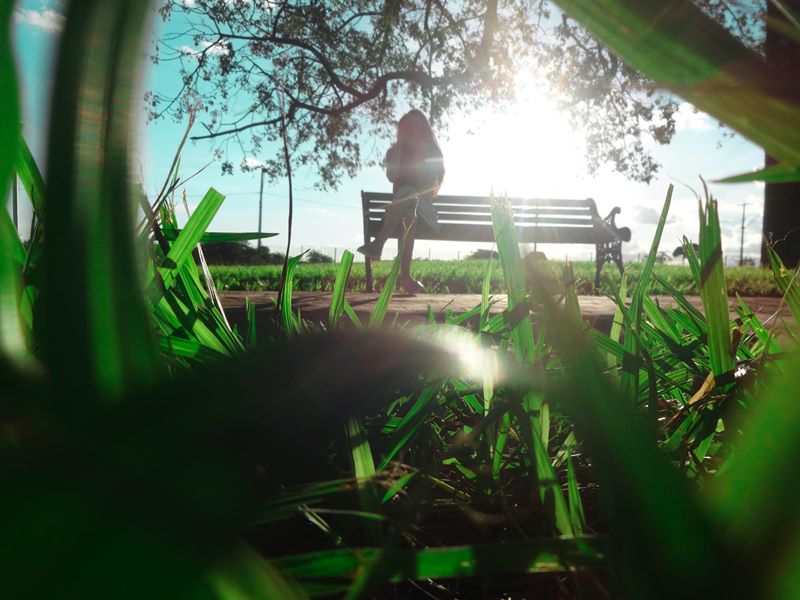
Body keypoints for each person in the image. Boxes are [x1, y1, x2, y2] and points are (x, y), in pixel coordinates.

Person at [357, 109, 444, 293]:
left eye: (415, 126)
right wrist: (400, 146)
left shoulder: (432, 152)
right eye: (406, 126)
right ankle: (406, 278)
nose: (411, 130)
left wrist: (419, 152)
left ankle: (378, 244)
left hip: (425, 213)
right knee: (407, 206)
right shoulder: (394, 152)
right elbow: (392, 175)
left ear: (423, 129)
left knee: (409, 193)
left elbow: (430, 187)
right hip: (401, 212)